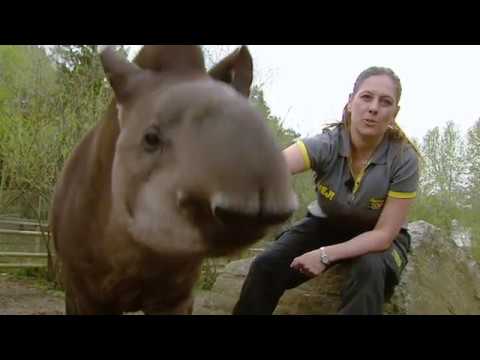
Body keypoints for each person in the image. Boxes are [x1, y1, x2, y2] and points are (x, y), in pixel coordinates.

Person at [232, 66, 419, 315]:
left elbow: (384, 235)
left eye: (385, 102)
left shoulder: (403, 159)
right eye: (366, 97)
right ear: (351, 102)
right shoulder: (326, 145)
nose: (374, 107)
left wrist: (324, 256)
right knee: (267, 265)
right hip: (325, 225)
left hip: (380, 238)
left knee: (369, 269)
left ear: (394, 113)